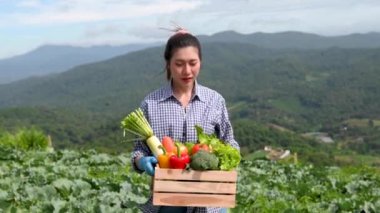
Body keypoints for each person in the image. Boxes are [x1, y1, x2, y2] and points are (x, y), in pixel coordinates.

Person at [131, 27, 240, 213]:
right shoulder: (151, 104)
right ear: (168, 64)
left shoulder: (215, 100)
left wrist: (224, 159)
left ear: (201, 62)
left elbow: (229, 141)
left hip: (210, 202)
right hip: (167, 202)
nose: (187, 71)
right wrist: (142, 162)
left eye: (193, 63)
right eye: (179, 64)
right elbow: (138, 151)